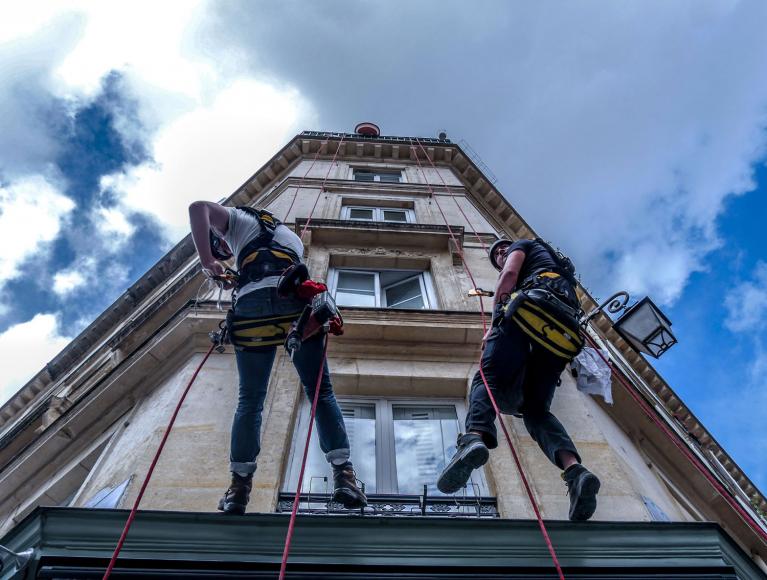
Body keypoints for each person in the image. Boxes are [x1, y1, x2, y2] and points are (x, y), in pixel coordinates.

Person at [188, 201, 367, 514]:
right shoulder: (290, 237)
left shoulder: (235, 219)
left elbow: (198, 207)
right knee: (320, 393)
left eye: (220, 246)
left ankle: (239, 487)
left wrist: (208, 263)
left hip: (252, 307)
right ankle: (344, 474)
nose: (223, 250)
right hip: (295, 307)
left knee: (250, 399)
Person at [436, 238, 601, 521]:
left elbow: (509, 276)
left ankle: (473, 438)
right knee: (536, 410)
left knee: (486, 378)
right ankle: (575, 472)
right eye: (496, 253)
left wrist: (494, 323)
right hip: (560, 332)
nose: (501, 253)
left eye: (503, 249)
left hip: (526, 313)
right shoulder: (558, 272)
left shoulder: (522, 248)